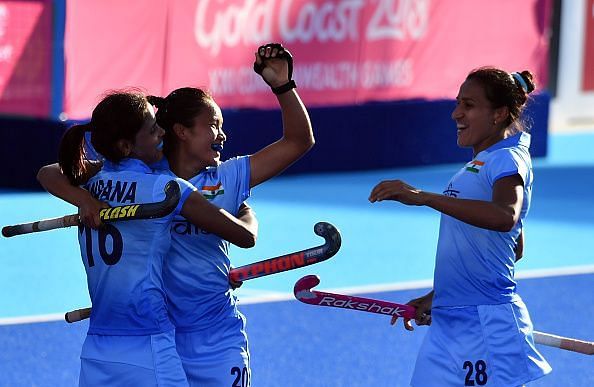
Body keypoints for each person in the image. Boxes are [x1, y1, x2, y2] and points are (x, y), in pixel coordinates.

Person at [38, 43, 314, 386]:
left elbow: (299, 141)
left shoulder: (227, 177)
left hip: (217, 337)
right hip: (164, 338)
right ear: (182, 131)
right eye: (212, 124)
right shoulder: (150, 176)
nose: (222, 134)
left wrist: (283, 86)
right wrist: (83, 199)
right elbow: (54, 172)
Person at [51, 90, 256, 386]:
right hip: (148, 344)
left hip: (97, 347)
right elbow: (243, 236)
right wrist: (245, 210)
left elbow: (47, 173)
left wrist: (83, 200)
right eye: (152, 129)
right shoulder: (165, 189)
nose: (162, 131)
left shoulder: (93, 182)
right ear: (125, 145)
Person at [368, 67, 551, 386]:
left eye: (468, 105)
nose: (455, 114)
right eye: (457, 103)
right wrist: (439, 296)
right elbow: (513, 246)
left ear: (499, 114)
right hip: (451, 321)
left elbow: (505, 217)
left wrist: (423, 197)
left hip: (487, 327)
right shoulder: (477, 164)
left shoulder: (508, 159)